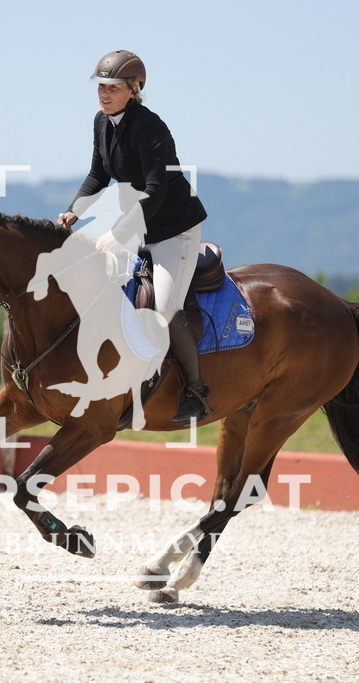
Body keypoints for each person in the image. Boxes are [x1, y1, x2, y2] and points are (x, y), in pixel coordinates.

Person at [57, 50, 212, 426]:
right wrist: (74, 210)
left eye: (112, 87)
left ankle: (196, 391)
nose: (104, 94)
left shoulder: (151, 128)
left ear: (134, 88)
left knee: (164, 308)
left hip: (174, 231)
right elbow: (98, 175)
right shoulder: (102, 122)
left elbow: (157, 192)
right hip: (138, 226)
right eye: (100, 87)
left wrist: (117, 233)